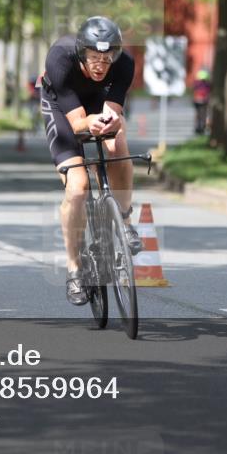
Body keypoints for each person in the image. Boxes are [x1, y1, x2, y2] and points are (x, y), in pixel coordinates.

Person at [39, 16, 144, 306]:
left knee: (117, 141)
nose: (100, 64)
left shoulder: (124, 64)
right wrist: (90, 123)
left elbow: (112, 112)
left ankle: (124, 220)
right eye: (94, 57)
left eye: (107, 58)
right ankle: (74, 267)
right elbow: (77, 124)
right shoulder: (60, 58)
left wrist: (107, 123)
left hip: (99, 102)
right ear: (82, 53)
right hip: (63, 108)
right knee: (78, 186)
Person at [192, 68, 211, 134]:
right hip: (202, 100)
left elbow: (194, 90)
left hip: (198, 100)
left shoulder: (196, 84)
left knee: (199, 114)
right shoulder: (207, 84)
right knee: (202, 114)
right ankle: (200, 127)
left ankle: (199, 127)